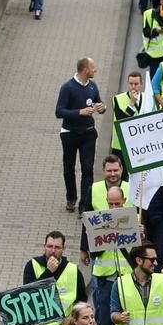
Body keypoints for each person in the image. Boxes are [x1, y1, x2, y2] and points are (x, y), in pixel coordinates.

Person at [55, 57, 106, 214]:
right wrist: (79, 112)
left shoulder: (92, 87)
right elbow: (59, 111)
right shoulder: (67, 87)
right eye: (93, 67)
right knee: (69, 168)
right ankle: (71, 197)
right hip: (70, 134)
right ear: (85, 70)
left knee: (87, 169)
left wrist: (102, 107)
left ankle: (84, 204)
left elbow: (99, 104)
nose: (95, 70)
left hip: (88, 133)